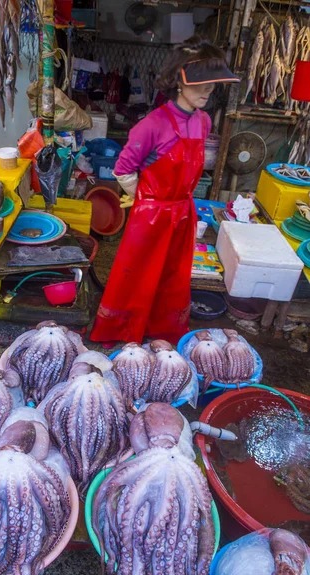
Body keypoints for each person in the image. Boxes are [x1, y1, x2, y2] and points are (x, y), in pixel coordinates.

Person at [90, 38, 239, 347]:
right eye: (201, 83)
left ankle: (163, 333)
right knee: (138, 277)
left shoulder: (204, 120)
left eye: (212, 83)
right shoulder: (152, 124)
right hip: (151, 216)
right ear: (178, 80)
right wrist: (143, 197)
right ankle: (125, 334)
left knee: (172, 278)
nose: (208, 90)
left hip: (183, 212)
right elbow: (122, 168)